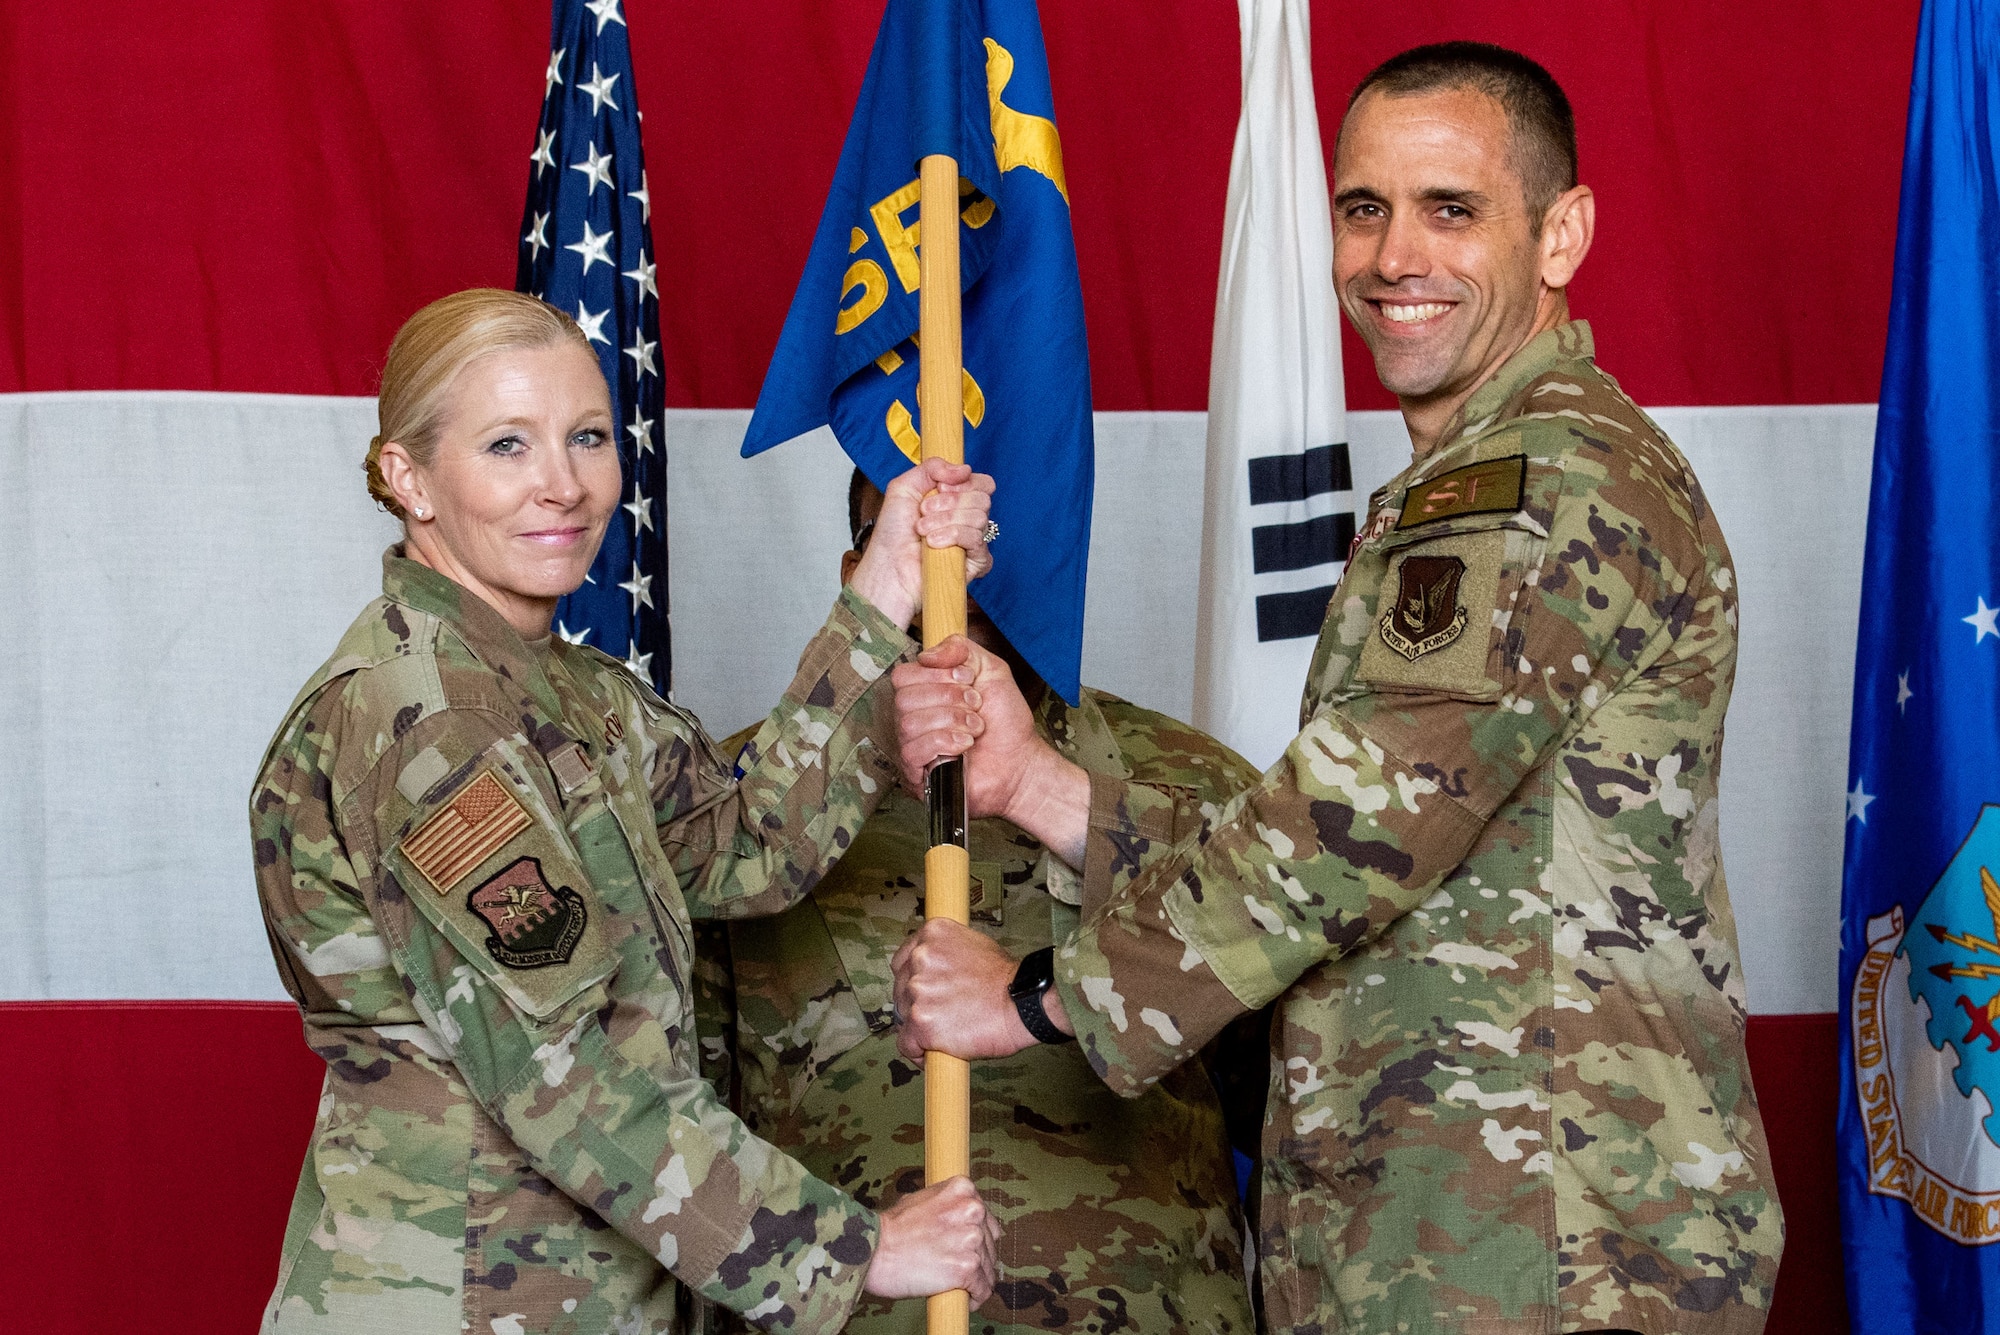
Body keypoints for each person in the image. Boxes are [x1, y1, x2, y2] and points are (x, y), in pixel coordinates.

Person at [888, 42, 1782, 1335]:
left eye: (1451, 209)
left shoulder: (1538, 486)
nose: (1392, 257)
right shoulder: (1470, 478)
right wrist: (1042, 785)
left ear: (1562, 232)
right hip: (1437, 1226)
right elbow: (1410, 865)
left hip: (1544, 1244)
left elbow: (1346, 837)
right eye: (1364, 208)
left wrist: (1037, 993)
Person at [249, 288, 1003, 1335]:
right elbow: (567, 1079)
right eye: (508, 445)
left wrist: (879, 595)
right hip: (457, 1300)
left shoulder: (567, 693)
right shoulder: (422, 719)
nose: (562, 485)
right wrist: (853, 1252)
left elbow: (746, 851)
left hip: (585, 1294)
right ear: (407, 476)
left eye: (588, 437)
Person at [691, 472, 1265, 1335]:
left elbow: (1300, 1087)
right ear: (861, 565)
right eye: (917, 528)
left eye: (992, 525)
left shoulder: (1199, 784)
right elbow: (671, 1138)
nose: (962, 560)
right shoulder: (737, 808)